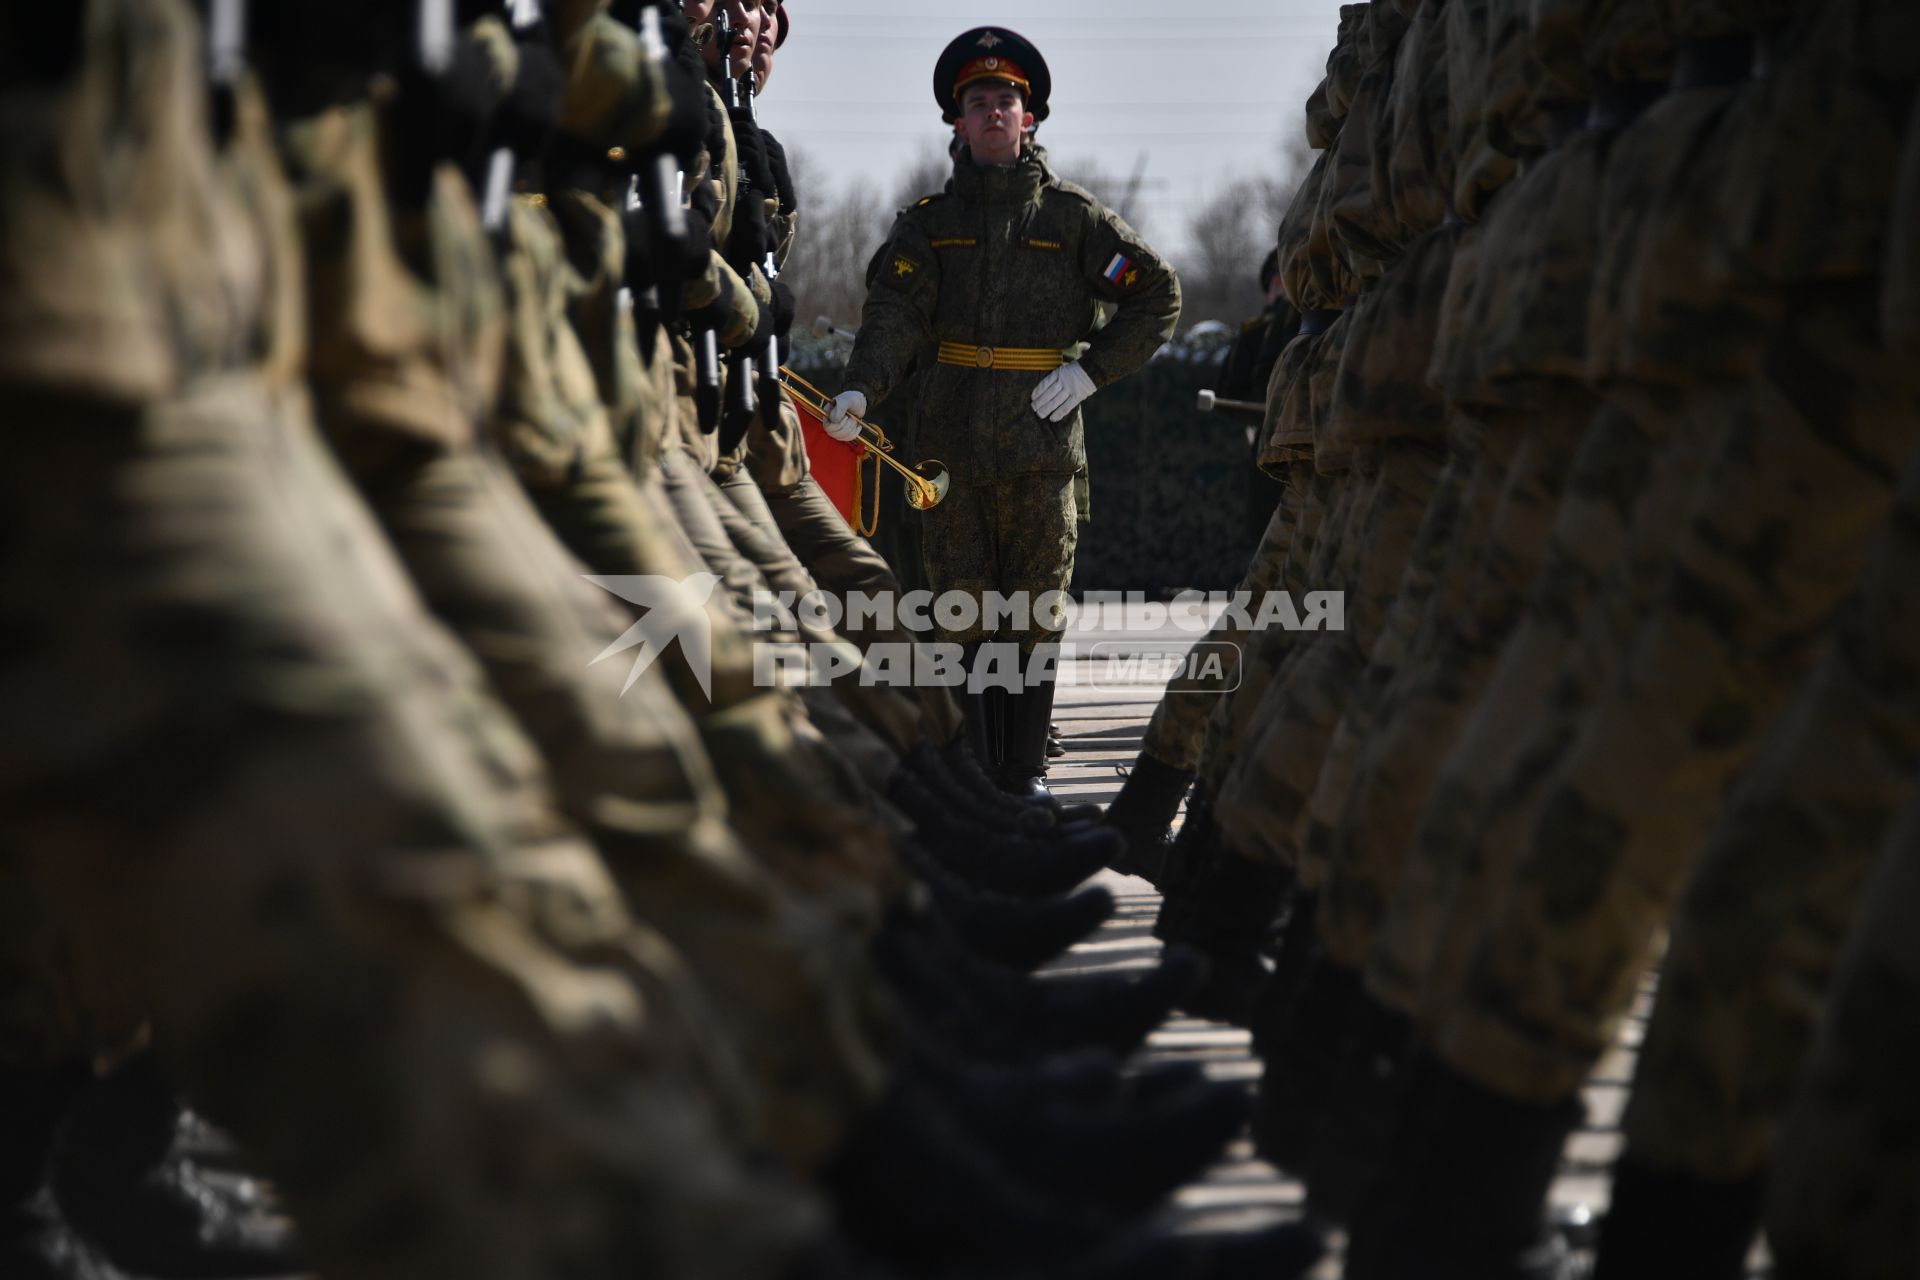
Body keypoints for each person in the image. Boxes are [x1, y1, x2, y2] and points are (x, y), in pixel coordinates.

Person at [826, 27, 1181, 800]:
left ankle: (1025, 775)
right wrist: (861, 388)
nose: (993, 113)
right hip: (948, 451)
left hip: (1040, 450)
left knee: (1032, 613)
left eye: (1007, 101)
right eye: (978, 102)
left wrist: (1091, 374)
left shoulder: (1072, 219)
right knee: (960, 615)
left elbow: (1158, 296)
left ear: (1032, 118)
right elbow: (894, 317)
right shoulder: (926, 224)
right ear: (956, 123)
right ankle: (978, 779)